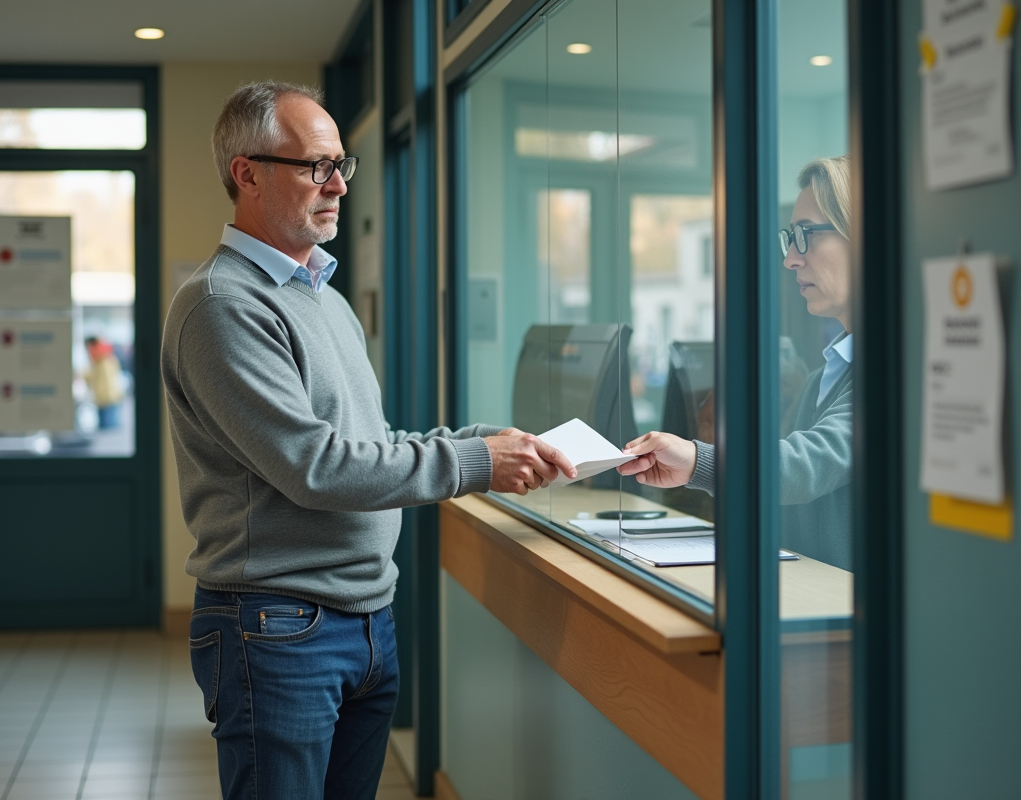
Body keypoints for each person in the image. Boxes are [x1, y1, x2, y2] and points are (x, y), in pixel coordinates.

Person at [160, 80, 575, 800]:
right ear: (247, 173)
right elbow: (316, 469)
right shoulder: (223, 304)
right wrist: (478, 463)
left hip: (364, 620)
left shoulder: (323, 298)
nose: (338, 186)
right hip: (278, 628)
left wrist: (492, 439)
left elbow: (369, 443)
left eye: (341, 166)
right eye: (316, 166)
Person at [620, 155, 854, 570]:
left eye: (808, 235)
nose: (791, 259)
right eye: (790, 238)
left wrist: (697, 460)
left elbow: (805, 466)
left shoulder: (900, 374)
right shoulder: (825, 376)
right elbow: (777, 492)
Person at [84, 336, 125, 429]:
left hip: (107, 397)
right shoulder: (108, 357)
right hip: (109, 396)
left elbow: (99, 378)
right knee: (108, 426)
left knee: (107, 428)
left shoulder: (101, 360)